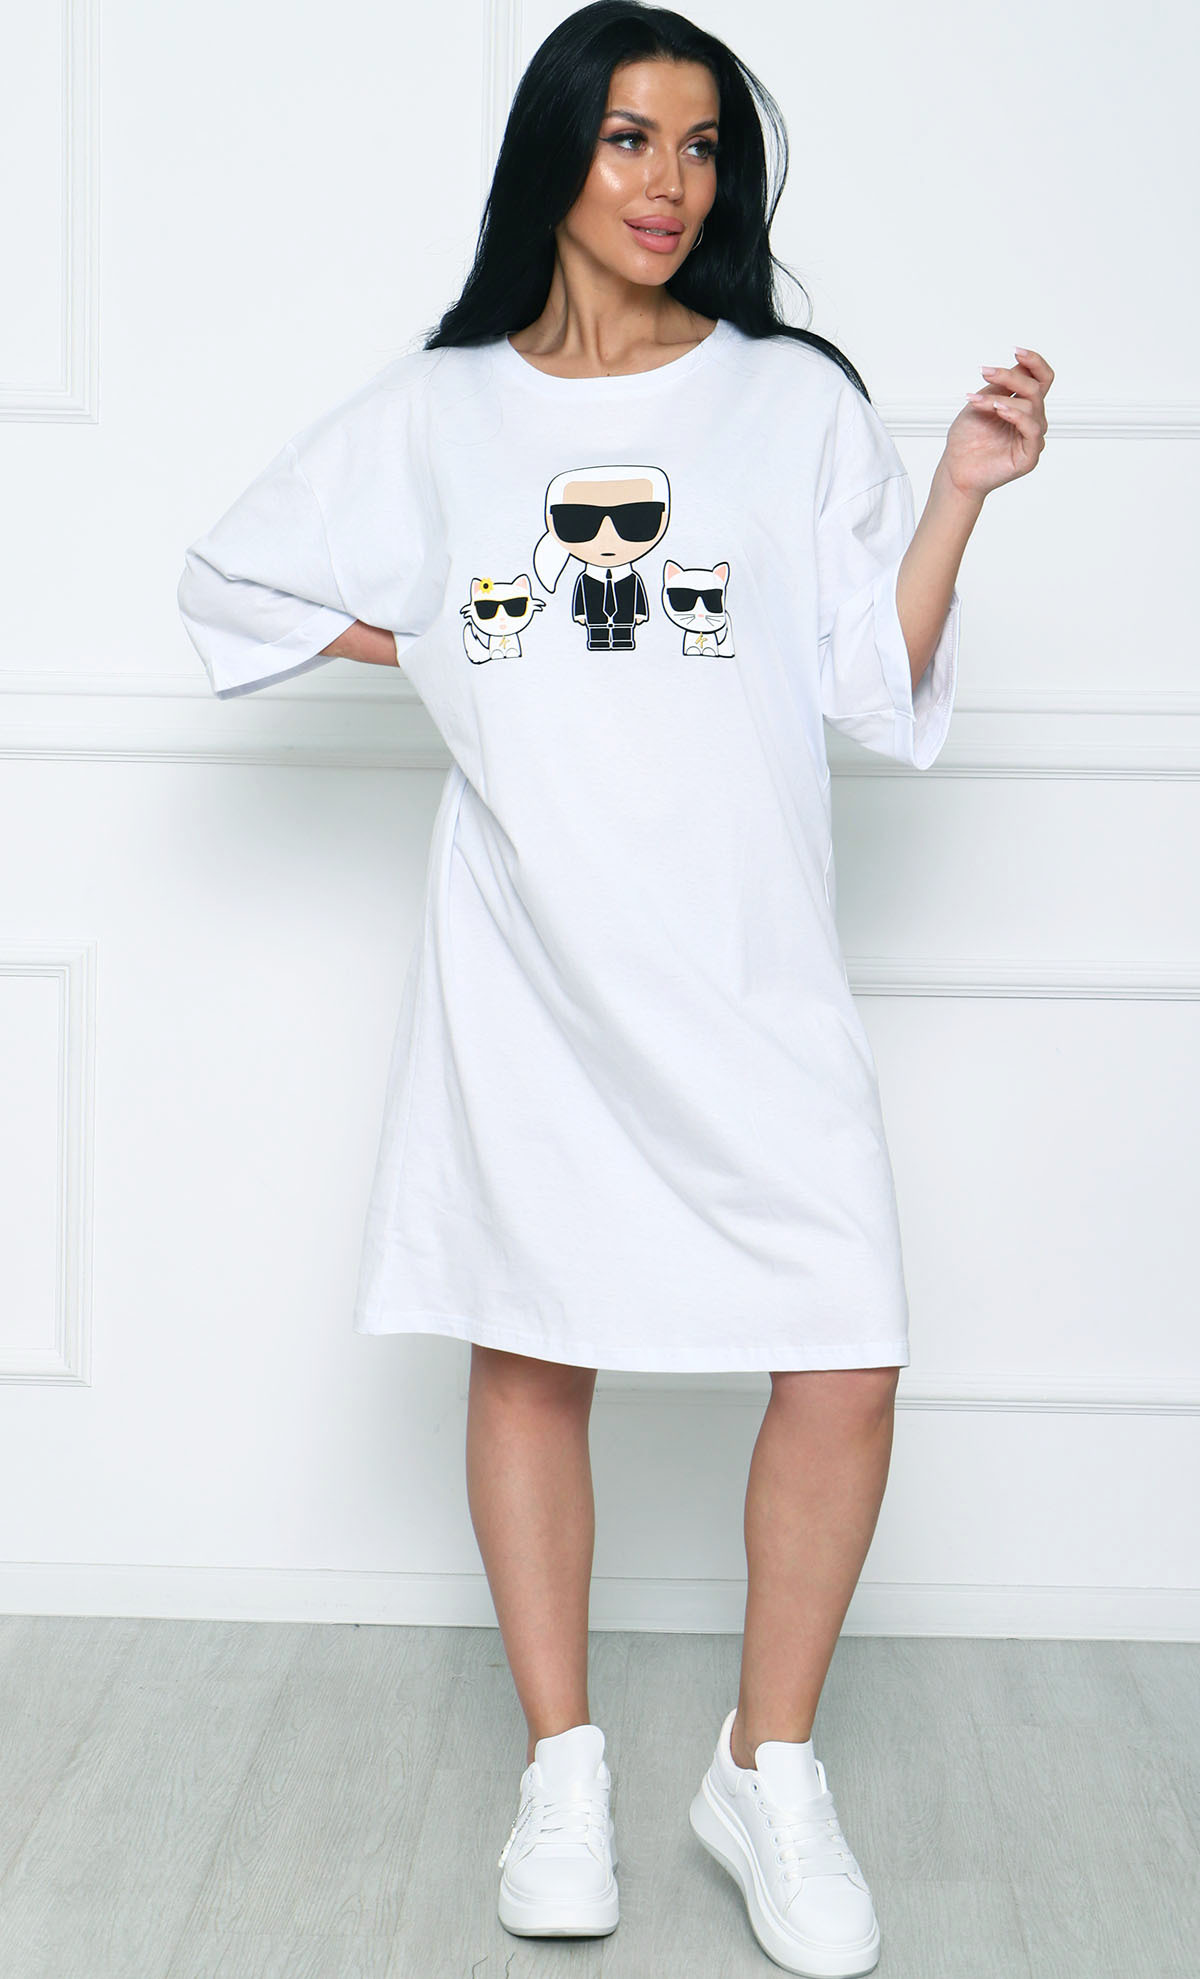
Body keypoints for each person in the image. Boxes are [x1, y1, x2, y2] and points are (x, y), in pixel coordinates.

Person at [177, 3, 1052, 1971]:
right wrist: (426, 641)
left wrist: (961, 493)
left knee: (843, 1351)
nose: (671, 183)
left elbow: (869, 683)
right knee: (530, 1337)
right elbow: (233, 582)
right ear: (556, 155)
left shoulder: (788, 401)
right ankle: (561, 1767)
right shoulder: (443, 412)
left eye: (703, 147)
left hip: (750, 963)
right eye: (631, 139)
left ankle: (768, 1764)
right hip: (534, 962)